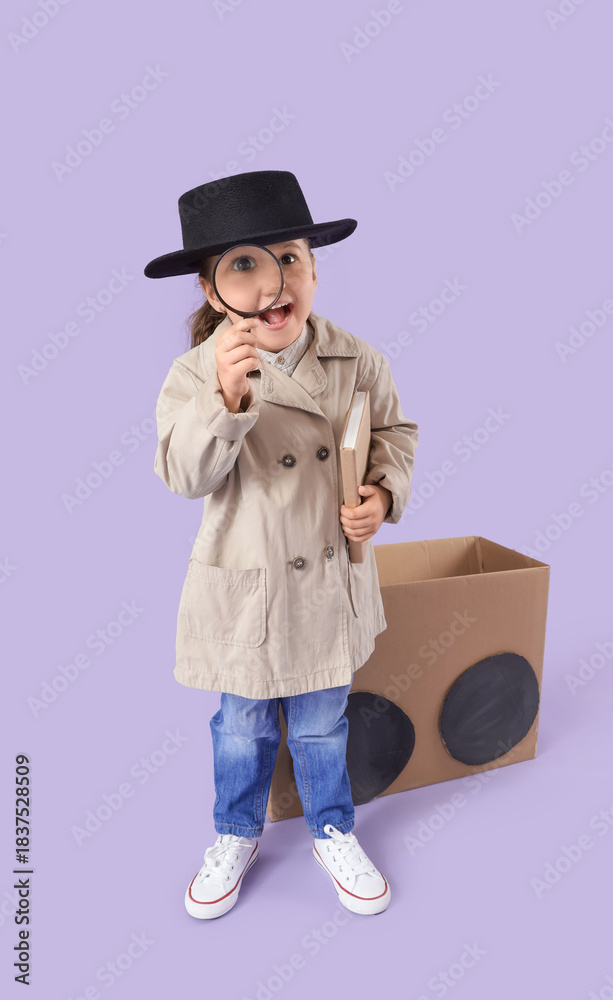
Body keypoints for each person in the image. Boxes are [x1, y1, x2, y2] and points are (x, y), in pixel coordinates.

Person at [144, 170, 418, 920]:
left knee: (324, 721)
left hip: (329, 581)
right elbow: (183, 473)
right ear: (211, 291)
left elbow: (394, 435)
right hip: (248, 587)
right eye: (244, 263)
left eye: (289, 257)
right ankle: (235, 831)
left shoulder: (355, 356)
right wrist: (225, 404)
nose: (273, 281)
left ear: (315, 269)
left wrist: (381, 496)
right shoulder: (194, 375)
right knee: (241, 724)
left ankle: (332, 827)